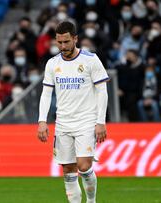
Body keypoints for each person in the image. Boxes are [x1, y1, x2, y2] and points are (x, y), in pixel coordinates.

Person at [37, 21, 109, 203]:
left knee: (84, 166)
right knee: (68, 171)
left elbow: (102, 91)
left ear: (75, 39)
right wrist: (42, 121)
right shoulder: (52, 64)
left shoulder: (90, 60)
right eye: (59, 42)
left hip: (86, 121)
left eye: (66, 42)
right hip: (63, 123)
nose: (63, 46)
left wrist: (101, 121)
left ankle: (91, 201)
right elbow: (46, 94)